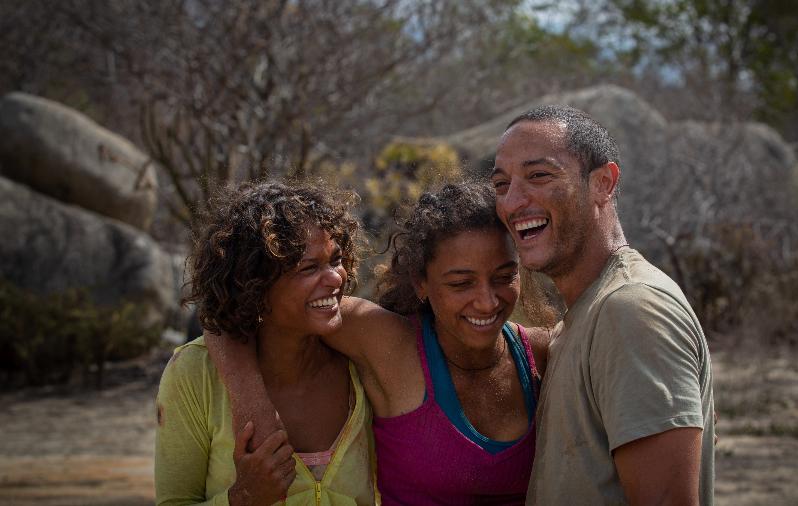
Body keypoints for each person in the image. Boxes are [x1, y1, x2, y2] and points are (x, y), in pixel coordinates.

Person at [207, 182, 554, 505]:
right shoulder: (387, 343)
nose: (487, 302)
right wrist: (254, 409)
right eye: (461, 283)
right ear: (421, 283)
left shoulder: (541, 354)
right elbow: (243, 308)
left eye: (504, 276)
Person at [489, 104, 716, 505]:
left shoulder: (630, 308)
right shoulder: (585, 315)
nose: (512, 202)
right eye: (501, 184)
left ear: (603, 183)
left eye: (539, 175)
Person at [154, 181, 378, 506]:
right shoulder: (193, 375)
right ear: (254, 285)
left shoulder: (360, 361)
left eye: (336, 260)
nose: (335, 278)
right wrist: (243, 497)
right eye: (308, 267)